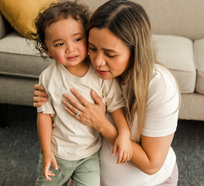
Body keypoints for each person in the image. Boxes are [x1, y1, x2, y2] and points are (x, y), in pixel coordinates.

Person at [33, 0, 181, 185]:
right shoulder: (89, 68)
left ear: (134, 52)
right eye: (92, 49)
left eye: (110, 54)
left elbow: (151, 165)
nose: (98, 62)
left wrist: (102, 124)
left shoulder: (159, 86)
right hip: (84, 171)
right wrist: (46, 94)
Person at [29, 1, 132, 185]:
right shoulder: (47, 77)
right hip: (57, 153)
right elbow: (44, 116)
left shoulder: (100, 73)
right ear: (47, 50)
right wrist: (46, 152)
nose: (71, 49)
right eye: (60, 44)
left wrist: (123, 133)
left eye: (77, 39)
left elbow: (117, 106)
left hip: (89, 156)